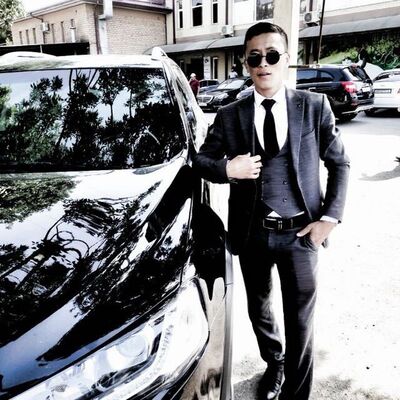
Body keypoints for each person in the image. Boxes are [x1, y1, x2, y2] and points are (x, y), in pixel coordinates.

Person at [193, 22, 350, 400]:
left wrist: (328, 220)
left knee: (301, 322)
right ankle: (274, 363)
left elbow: (339, 163)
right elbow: (200, 161)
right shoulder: (230, 114)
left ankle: (296, 392)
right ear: (245, 63)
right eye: (255, 57)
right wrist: (227, 169)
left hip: (302, 234)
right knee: (259, 309)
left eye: (272, 55)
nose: (264, 63)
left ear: (286, 59)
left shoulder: (314, 107)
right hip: (253, 233)